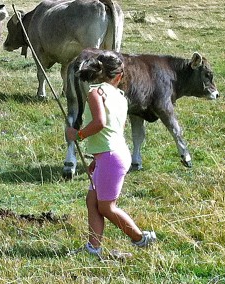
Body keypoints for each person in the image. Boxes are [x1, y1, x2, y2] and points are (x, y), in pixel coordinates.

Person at [66, 50, 156, 257]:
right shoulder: (121, 97)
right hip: (112, 155)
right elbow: (115, 131)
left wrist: (77, 135)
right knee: (92, 201)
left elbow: (99, 124)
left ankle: (140, 238)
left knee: (107, 207)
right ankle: (93, 248)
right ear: (119, 76)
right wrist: (97, 159)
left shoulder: (96, 92)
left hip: (110, 157)